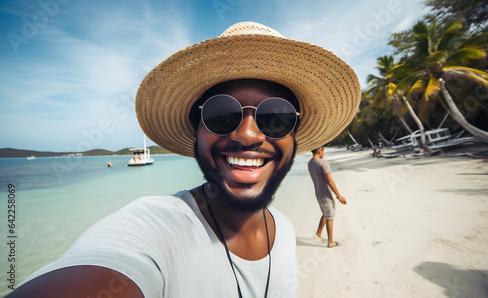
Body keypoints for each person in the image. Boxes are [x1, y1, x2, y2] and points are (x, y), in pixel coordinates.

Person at [7, 22, 360, 297]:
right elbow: (109, 263)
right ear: (197, 131)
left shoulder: (282, 230)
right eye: (222, 115)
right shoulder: (158, 227)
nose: (249, 135)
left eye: (276, 117)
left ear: (293, 134)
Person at [308, 147, 347, 248]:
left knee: (326, 213)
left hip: (318, 193)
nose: (323, 153)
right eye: (323, 150)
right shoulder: (323, 163)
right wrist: (339, 196)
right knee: (330, 216)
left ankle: (318, 234)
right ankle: (330, 242)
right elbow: (330, 181)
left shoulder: (310, 163)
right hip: (325, 194)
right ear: (320, 151)